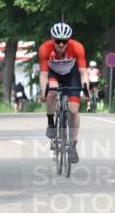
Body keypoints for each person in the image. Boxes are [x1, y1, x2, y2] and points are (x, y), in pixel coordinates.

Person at [38, 22, 90, 163]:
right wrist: (44, 92)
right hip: (53, 73)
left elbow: (83, 72)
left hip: (71, 74)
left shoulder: (77, 47)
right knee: (52, 92)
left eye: (64, 41)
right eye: (58, 41)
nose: (61, 44)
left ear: (69, 40)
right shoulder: (44, 48)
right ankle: (51, 124)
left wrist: (86, 88)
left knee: (73, 111)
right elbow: (43, 75)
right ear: (52, 39)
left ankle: (72, 145)